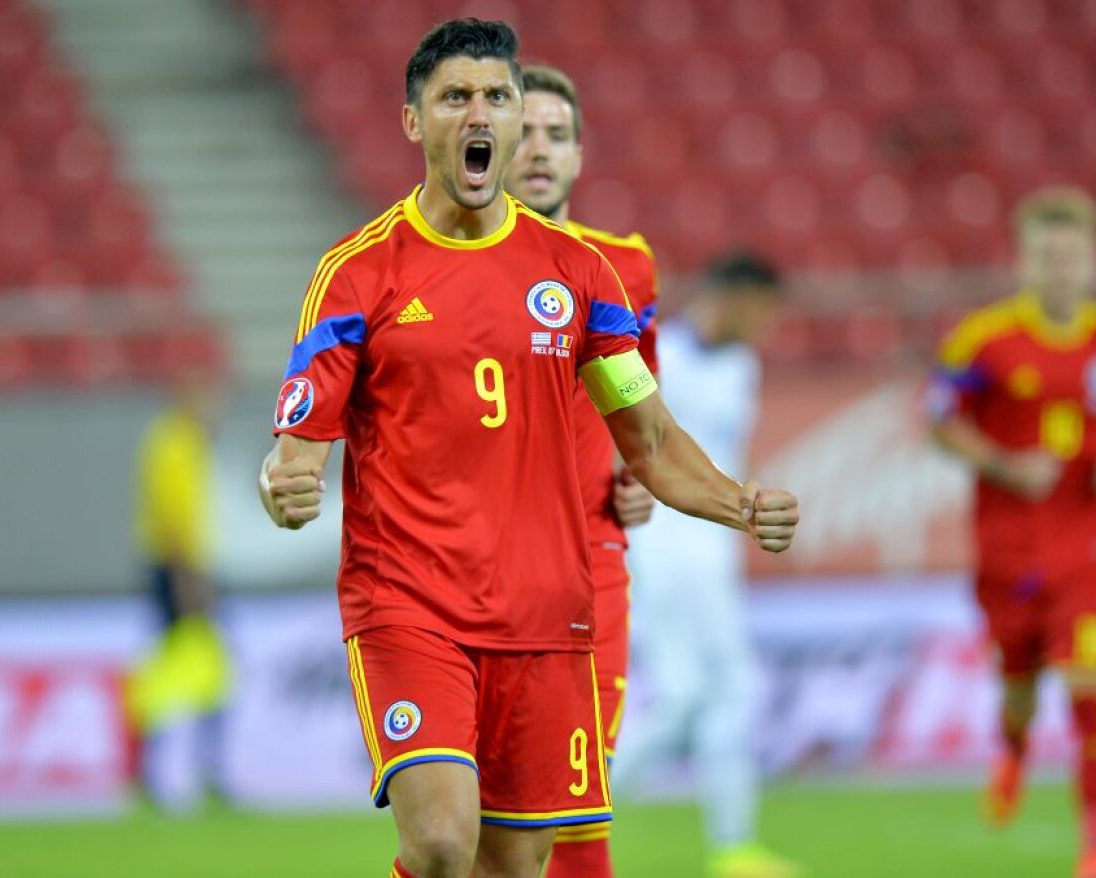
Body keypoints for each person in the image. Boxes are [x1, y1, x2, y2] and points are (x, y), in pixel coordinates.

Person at [256, 19, 800, 878]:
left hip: (546, 614)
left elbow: (648, 435)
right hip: (410, 604)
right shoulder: (358, 273)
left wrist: (742, 503)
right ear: (414, 121)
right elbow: (297, 448)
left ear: (514, 119)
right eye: (455, 97)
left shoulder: (581, 275)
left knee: (514, 866)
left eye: (496, 96)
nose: (480, 112)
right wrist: (284, 484)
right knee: (442, 843)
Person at [927, 187, 1096, 878]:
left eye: (1072, 255)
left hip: (1089, 541)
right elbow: (938, 422)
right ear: (1024, 261)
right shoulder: (983, 340)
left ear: (1093, 260)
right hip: (1010, 548)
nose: (1061, 268)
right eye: (1048, 255)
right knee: (1019, 689)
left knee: (1088, 687)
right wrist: (1002, 464)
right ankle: (1014, 752)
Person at [503, 64, 658, 878]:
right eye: (524, 132)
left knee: (580, 795)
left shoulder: (627, 268)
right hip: (477, 568)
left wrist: (639, 472)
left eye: (556, 135)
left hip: (593, 558)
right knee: (478, 828)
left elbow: (639, 400)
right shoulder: (441, 268)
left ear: (579, 156)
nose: (539, 150)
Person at [610, 253, 799, 878]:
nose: (767, 324)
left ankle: (732, 847)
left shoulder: (743, 366)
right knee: (705, 693)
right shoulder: (657, 357)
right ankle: (572, 814)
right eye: (762, 310)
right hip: (664, 552)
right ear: (733, 298)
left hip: (714, 555)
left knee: (711, 695)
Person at [128, 361, 230, 811]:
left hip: (185, 570)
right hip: (179, 573)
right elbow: (171, 521)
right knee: (193, 674)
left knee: (184, 673)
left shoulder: (183, 441)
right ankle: (192, 773)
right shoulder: (173, 443)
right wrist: (189, 582)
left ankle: (162, 775)